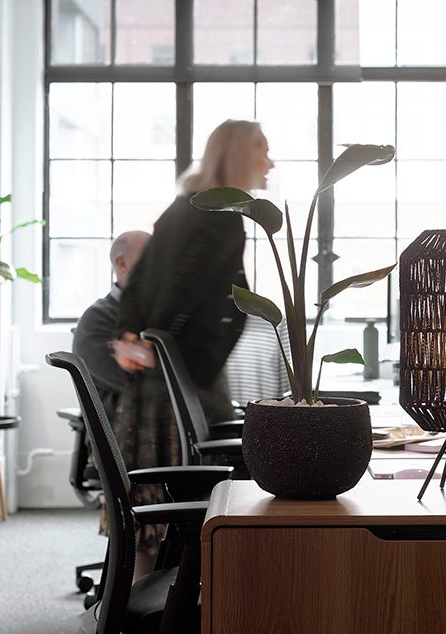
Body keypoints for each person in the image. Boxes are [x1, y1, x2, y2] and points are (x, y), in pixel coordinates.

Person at [111, 119, 273, 578]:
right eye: (264, 152)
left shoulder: (181, 207)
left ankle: (154, 591)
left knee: (160, 483)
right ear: (241, 156)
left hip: (163, 369)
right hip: (188, 372)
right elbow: (185, 287)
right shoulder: (221, 219)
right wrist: (159, 337)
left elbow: (140, 281)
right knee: (215, 477)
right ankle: (205, 589)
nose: (271, 162)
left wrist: (133, 333)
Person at [71, 230, 150, 419]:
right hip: (127, 435)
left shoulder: (157, 313)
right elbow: (141, 385)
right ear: (121, 263)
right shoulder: (97, 320)